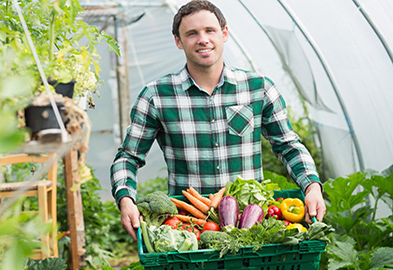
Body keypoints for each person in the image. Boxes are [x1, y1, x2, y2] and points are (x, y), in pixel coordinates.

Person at [110, 0, 326, 240]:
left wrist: (312, 186)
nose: (202, 39)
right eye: (192, 33)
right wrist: (126, 199)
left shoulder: (259, 89)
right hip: (189, 227)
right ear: (178, 41)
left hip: (252, 224)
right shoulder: (156, 96)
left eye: (209, 30)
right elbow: (128, 157)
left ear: (224, 34)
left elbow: (288, 146)